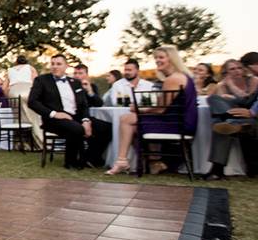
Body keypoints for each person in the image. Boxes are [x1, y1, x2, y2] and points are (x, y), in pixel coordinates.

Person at [106, 45, 197, 175]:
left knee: (126, 119)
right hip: (180, 122)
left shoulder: (173, 79)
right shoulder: (183, 76)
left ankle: (123, 161)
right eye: (156, 58)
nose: (157, 60)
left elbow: (160, 110)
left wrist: (137, 109)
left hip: (177, 125)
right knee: (132, 124)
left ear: (171, 59)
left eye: (161, 57)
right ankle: (152, 162)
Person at [28, 54, 112, 170]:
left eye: (58, 64)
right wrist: (54, 114)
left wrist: (86, 120)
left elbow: (83, 105)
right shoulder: (42, 80)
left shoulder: (75, 82)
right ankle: (71, 162)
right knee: (77, 128)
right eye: (52, 64)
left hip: (76, 117)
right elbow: (32, 102)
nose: (55, 67)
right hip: (54, 119)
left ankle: (90, 157)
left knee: (106, 127)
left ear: (66, 66)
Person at [205, 59, 258, 179]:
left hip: (250, 116)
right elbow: (218, 101)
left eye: (239, 68)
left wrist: (231, 85)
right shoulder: (222, 84)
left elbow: (247, 99)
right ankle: (230, 121)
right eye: (232, 69)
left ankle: (216, 171)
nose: (237, 71)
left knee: (221, 126)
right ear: (226, 72)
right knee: (214, 100)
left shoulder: (253, 80)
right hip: (236, 115)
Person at [3, 54, 41, 147]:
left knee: (18, 118)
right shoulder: (30, 68)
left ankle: (20, 143)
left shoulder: (9, 70)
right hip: (27, 91)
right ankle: (37, 142)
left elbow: (4, 88)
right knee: (33, 117)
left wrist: (9, 97)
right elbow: (37, 83)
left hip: (13, 92)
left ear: (16, 62)